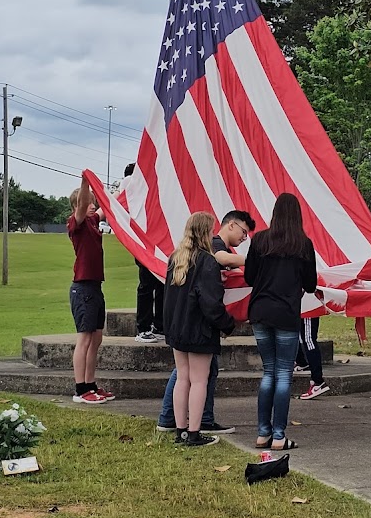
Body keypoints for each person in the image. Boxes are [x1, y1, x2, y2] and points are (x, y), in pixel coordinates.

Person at [157, 210, 256, 433]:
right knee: (200, 381)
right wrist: (227, 324)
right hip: (199, 330)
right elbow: (210, 303)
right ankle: (195, 432)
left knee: (182, 379)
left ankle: (181, 429)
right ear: (205, 233)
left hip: (176, 328)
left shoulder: (176, 258)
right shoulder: (208, 262)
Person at [244, 193, 317, 451]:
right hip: (286, 312)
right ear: (297, 215)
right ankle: (278, 435)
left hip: (260, 310)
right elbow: (311, 285)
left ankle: (262, 432)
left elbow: (249, 277)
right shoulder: (303, 244)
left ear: (274, 213)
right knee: (284, 373)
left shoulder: (260, 240)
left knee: (269, 371)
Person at [67, 175, 114, 404]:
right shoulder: (76, 223)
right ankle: (80, 389)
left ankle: (91, 384)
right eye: (89, 202)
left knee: (96, 338)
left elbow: (108, 207)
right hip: (82, 288)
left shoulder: (93, 222)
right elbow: (84, 205)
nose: (93, 205)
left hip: (95, 287)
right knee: (84, 339)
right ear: (78, 206)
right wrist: (86, 183)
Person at [123, 163, 165, 343]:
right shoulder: (133, 188)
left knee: (162, 285)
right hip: (145, 246)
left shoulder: (154, 189)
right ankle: (143, 328)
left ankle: (160, 324)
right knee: (147, 286)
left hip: (160, 245)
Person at [295, 317, 330, 400]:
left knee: (308, 340)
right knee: (300, 336)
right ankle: (301, 362)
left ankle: (318, 381)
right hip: (302, 309)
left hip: (308, 310)